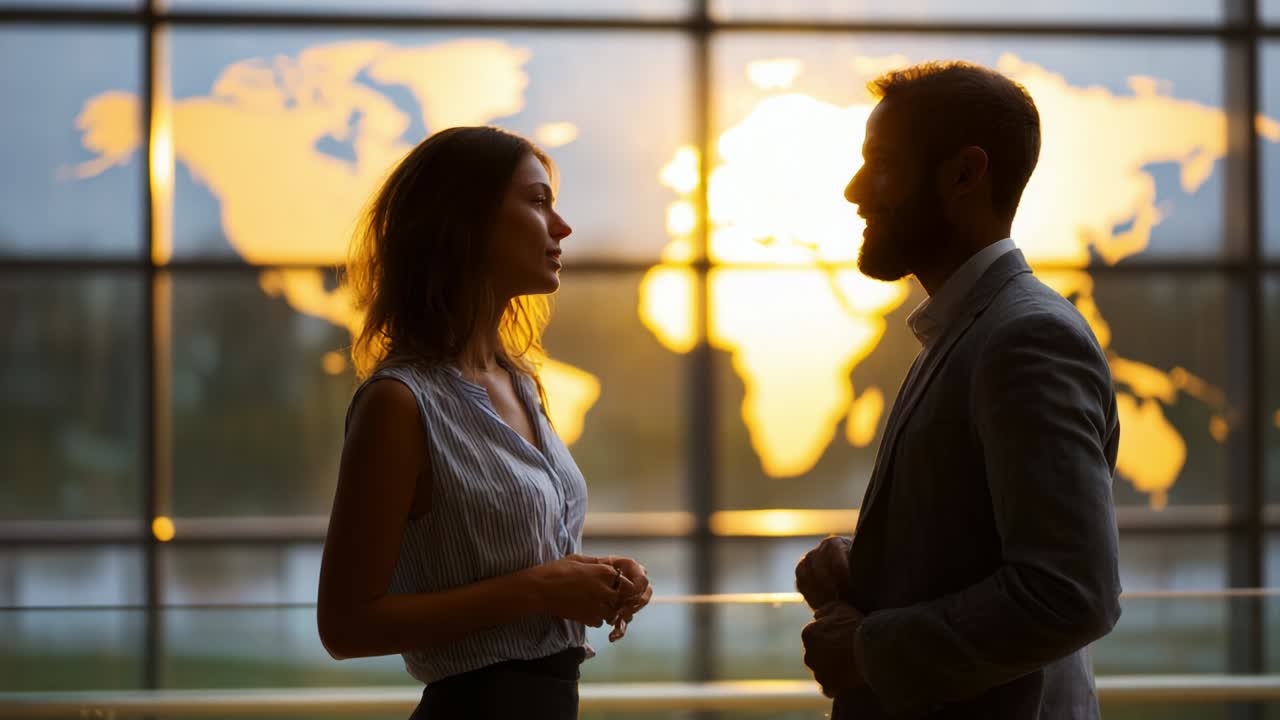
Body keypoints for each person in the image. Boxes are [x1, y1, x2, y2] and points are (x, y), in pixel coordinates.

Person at [795, 61, 1122, 719]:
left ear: (965, 173)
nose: (855, 190)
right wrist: (870, 565)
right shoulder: (971, 330)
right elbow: (984, 546)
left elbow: (1068, 595)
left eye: (879, 163)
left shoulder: (1024, 339)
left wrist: (867, 651)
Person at [317, 126, 653, 720]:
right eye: (539, 201)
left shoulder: (520, 382)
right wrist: (543, 589)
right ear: (466, 222)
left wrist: (594, 577)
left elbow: (514, 557)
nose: (562, 227)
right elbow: (346, 627)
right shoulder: (399, 403)